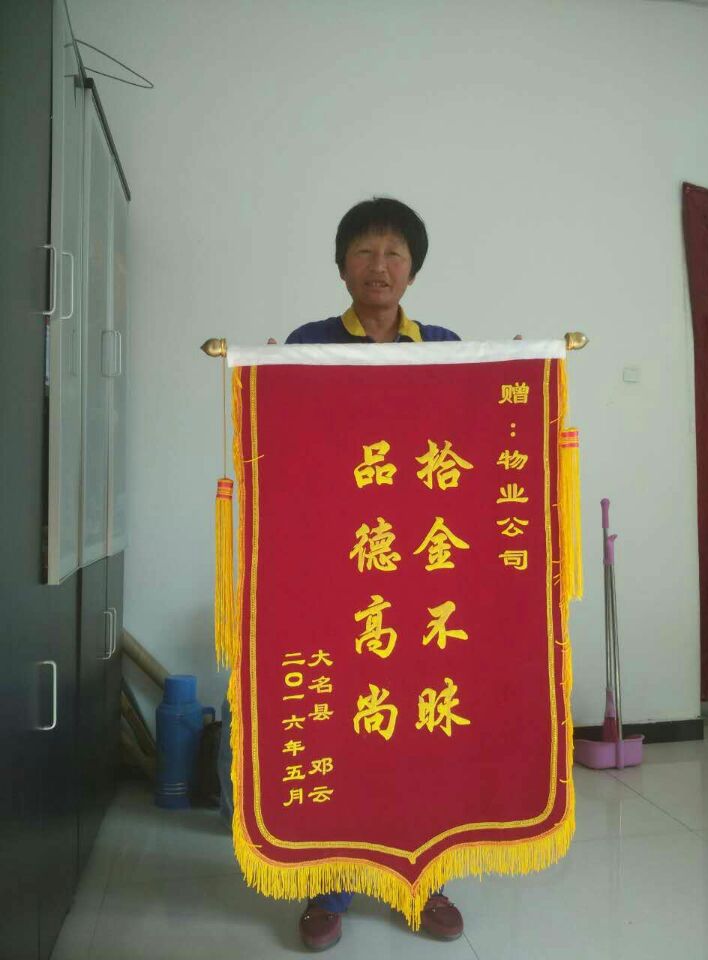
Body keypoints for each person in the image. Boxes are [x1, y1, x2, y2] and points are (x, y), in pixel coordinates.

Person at [219, 197, 465, 951]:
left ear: (413, 270)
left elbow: (468, 443)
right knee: (338, 727)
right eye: (364, 252)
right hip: (335, 566)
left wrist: (516, 373)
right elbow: (290, 456)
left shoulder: (445, 346)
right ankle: (325, 889)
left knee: (416, 728)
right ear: (341, 266)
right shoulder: (309, 343)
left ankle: (419, 881)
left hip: (417, 570)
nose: (378, 267)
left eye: (394, 253)